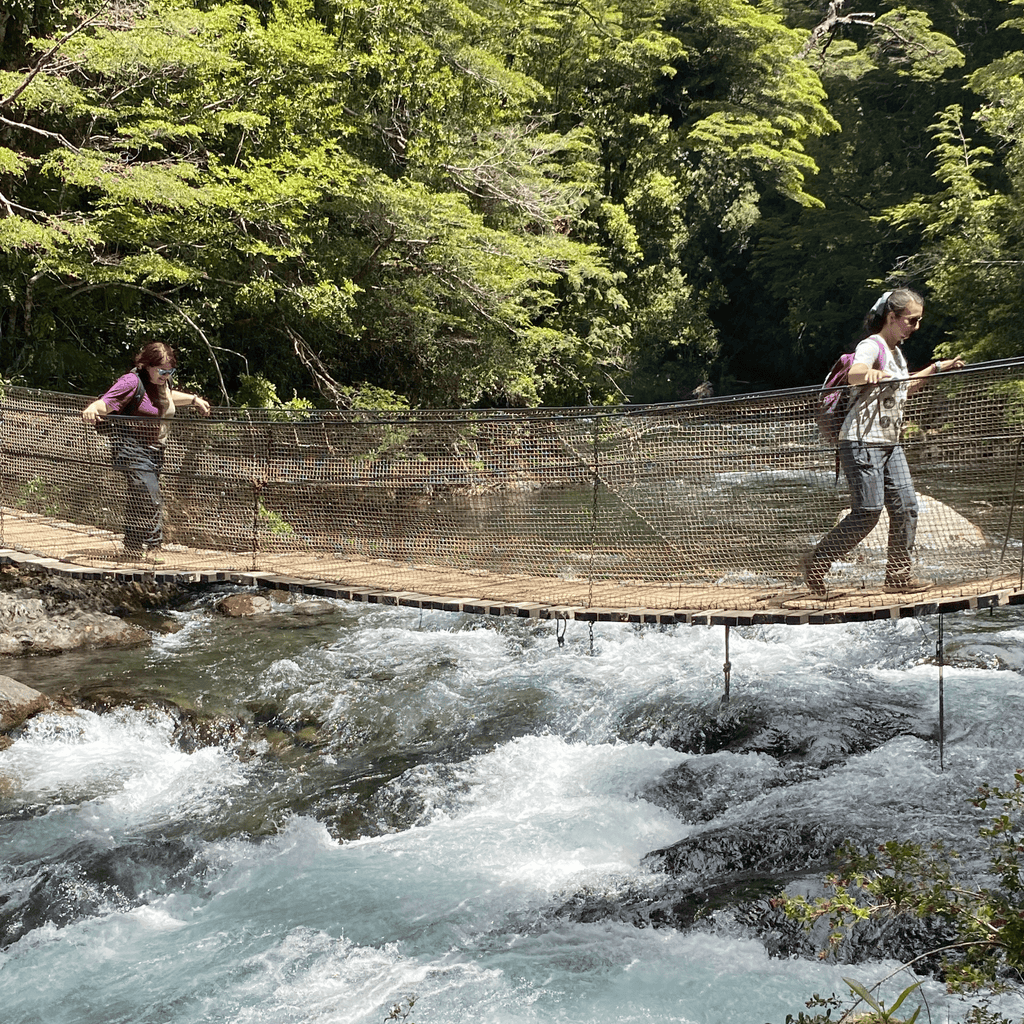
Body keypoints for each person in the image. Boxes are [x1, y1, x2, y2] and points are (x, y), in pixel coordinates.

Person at [802, 288, 965, 594]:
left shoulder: (896, 354)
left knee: (906, 506)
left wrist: (937, 368)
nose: (915, 327)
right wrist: (871, 375)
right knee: (868, 512)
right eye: (911, 320)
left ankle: (898, 576)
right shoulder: (872, 345)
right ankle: (817, 561)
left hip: (889, 444)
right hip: (861, 441)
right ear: (892, 317)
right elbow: (856, 372)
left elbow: (905, 388)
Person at [82, 342, 211, 560]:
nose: (166, 375)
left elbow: (168, 397)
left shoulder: (162, 383)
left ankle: (132, 548)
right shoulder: (131, 382)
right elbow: (107, 402)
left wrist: (193, 400)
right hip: (131, 448)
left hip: (155, 452)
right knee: (150, 496)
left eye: (170, 371)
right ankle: (153, 547)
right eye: (162, 370)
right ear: (147, 366)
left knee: (138, 498)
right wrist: (93, 408)